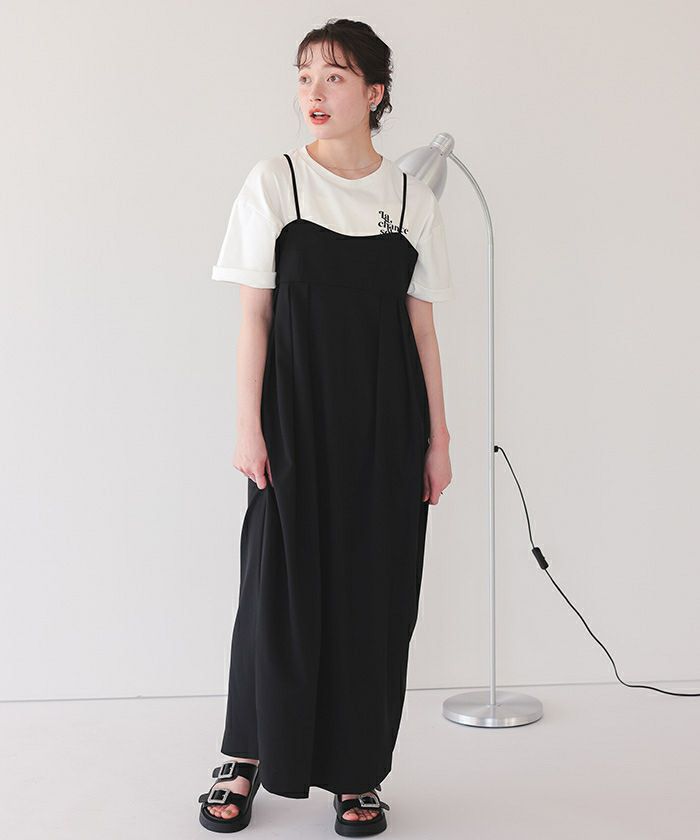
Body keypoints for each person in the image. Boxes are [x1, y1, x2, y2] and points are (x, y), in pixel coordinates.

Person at [197, 17, 454, 836]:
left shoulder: (411, 198)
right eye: (305, 75)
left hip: (387, 423)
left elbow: (421, 330)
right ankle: (244, 754)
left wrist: (439, 439)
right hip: (295, 418)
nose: (314, 91)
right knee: (274, 591)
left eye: (335, 77)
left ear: (374, 93)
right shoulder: (275, 181)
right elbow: (255, 316)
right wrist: (248, 425)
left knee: (374, 595)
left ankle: (356, 770)